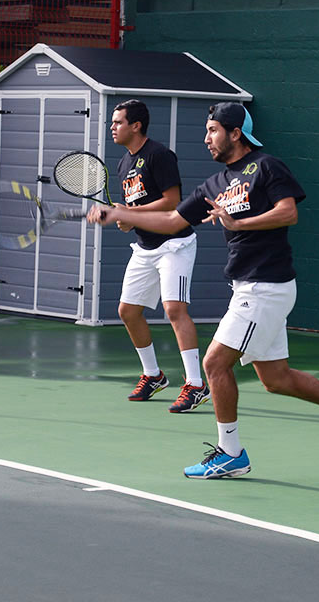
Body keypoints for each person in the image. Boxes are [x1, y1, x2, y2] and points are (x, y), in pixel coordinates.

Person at [88, 101, 319, 477]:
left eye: (213, 130)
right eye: (206, 131)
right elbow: (170, 220)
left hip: (266, 285)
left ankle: (231, 454)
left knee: (213, 364)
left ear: (235, 133)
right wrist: (120, 214)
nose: (206, 139)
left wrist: (240, 223)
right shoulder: (213, 185)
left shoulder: (266, 166)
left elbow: (288, 211)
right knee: (276, 379)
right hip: (250, 286)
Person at [107, 99, 209, 413]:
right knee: (128, 311)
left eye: (118, 122)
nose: (113, 127)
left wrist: (127, 212)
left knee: (174, 309)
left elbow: (171, 201)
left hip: (174, 245)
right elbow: (137, 212)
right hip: (145, 247)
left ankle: (196, 385)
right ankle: (153, 375)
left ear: (136, 125)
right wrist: (126, 219)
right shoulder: (124, 163)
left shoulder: (159, 155)